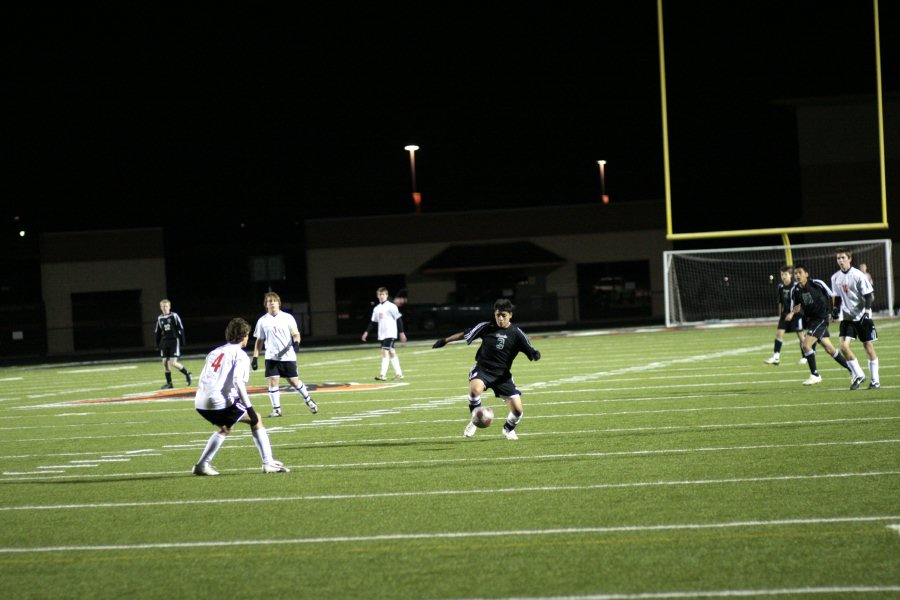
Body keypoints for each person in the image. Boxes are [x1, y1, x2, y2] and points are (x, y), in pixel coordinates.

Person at [431, 298, 541, 440]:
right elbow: (464, 334)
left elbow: (529, 348)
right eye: (497, 315)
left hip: (502, 376)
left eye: (503, 315)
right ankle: (475, 421)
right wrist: (445, 340)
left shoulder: (516, 333)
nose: (500, 318)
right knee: (474, 390)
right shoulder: (486, 326)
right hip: (483, 369)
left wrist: (534, 354)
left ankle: (508, 429)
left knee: (518, 411)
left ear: (510, 315)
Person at [192, 317, 289, 475]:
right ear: (244, 336)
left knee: (225, 427)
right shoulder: (240, 355)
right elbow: (238, 383)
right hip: (217, 401)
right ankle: (268, 462)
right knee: (255, 418)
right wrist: (249, 408)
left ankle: (202, 465)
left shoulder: (215, 352)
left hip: (200, 401)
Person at [251, 292, 317, 417]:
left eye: (274, 301)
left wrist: (297, 343)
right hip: (271, 357)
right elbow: (259, 340)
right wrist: (255, 357)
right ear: (266, 304)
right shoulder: (262, 321)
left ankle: (309, 400)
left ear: (278, 303)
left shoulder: (288, 317)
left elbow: (296, 334)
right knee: (273, 381)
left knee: (294, 382)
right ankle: (277, 410)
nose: (272, 303)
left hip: (288, 356)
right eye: (269, 301)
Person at [786, 265, 853, 386]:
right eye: (796, 273)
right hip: (811, 321)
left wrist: (834, 311)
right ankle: (853, 370)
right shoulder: (795, 290)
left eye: (800, 273)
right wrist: (792, 313)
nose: (797, 275)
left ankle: (815, 375)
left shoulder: (817, 283)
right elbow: (796, 306)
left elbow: (832, 295)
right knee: (830, 349)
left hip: (821, 319)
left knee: (806, 345)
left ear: (806, 274)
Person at [832, 248, 880, 389]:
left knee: (868, 347)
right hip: (847, 317)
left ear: (849, 259)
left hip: (862, 317)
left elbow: (868, 295)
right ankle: (859, 375)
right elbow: (838, 297)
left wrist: (866, 312)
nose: (840, 260)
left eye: (843, 258)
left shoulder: (858, 275)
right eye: (838, 258)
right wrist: (835, 310)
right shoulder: (835, 277)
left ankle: (875, 381)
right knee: (843, 346)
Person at [361, 286, 407, 381]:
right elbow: (373, 322)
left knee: (384, 351)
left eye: (383, 294)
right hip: (382, 334)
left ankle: (382, 374)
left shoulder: (391, 306)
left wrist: (401, 333)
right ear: (377, 296)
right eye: (379, 294)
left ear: (386, 295)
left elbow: (398, 319)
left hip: (390, 333)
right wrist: (366, 332)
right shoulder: (376, 308)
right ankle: (399, 374)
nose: (381, 296)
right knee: (392, 352)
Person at [764, 266, 807, 366]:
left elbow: (800, 302)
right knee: (779, 333)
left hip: (796, 314)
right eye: (782, 274)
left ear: (791, 275)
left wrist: (792, 313)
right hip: (785, 314)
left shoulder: (796, 286)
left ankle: (805, 357)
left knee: (801, 336)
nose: (783, 276)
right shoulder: (780, 286)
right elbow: (780, 302)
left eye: (785, 274)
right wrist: (781, 315)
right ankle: (776, 357)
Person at [155, 299, 191, 389]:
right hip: (165, 342)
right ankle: (169, 384)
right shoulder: (160, 318)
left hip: (174, 341)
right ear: (160, 307)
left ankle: (187, 373)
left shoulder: (174, 316)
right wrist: (157, 344)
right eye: (163, 306)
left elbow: (181, 328)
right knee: (164, 362)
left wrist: (183, 341)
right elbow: (158, 332)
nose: (165, 308)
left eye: (166, 306)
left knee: (173, 363)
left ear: (169, 307)